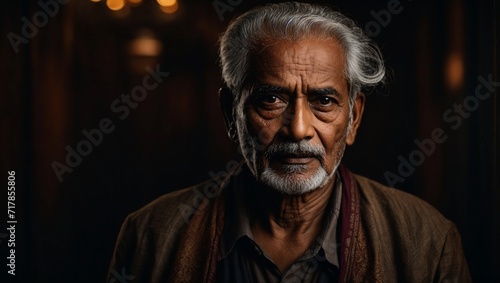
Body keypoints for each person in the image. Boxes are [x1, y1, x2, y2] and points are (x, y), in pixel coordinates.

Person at [107, 2, 471, 282]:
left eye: (323, 102)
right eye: (271, 99)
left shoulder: (427, 243)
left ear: (353, 118)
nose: (298, 129)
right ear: (230, 113)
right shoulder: (151, 237)